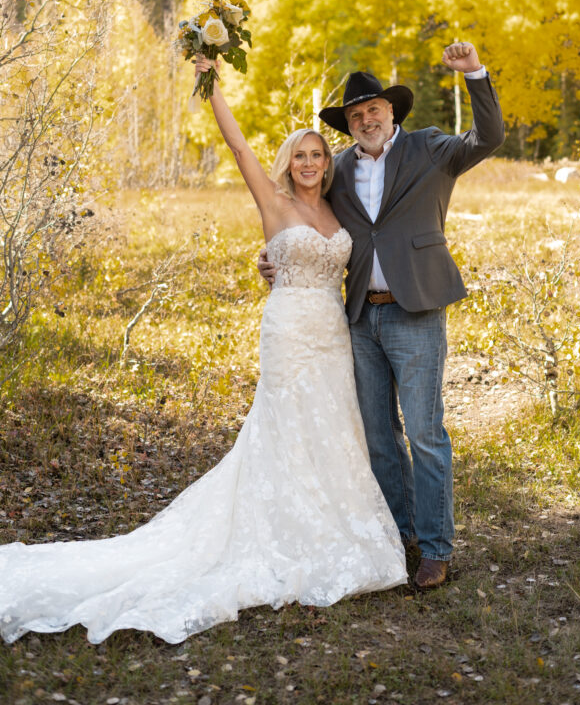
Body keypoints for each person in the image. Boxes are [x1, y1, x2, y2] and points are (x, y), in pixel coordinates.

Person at [0, 56, 406, 646]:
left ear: (328, 161)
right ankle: (284, 532)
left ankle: (335, 523)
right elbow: (238, 146)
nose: (310, 163)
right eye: (300, 155)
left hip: (333, 331)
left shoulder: (335, 205)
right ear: (288, 162)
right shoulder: (274, 201)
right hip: (290, 330)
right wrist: (210, 81)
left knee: (334, 427)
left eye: (318, 155)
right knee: (287, 426)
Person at [259, 40, 505, 590]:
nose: (365, 120)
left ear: (391, 110)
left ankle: (436, 549)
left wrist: (474, 74)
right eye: (355, 116)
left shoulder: (429, 148)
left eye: (373, 109)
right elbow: (308, 219)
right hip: (358, 321)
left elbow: (488, 138)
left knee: (424, 433)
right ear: (347, 125)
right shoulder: (339, 168)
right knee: (378, 436)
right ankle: (400, 534)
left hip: (415, 311)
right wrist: (274, 255)